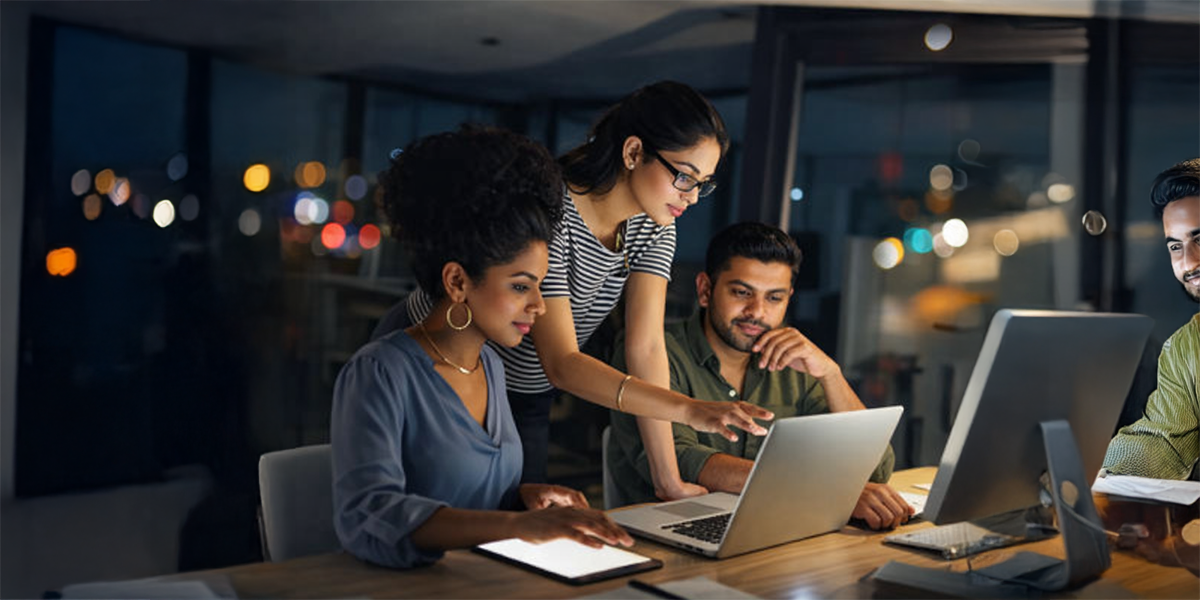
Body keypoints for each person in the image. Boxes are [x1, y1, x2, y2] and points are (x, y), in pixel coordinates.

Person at [373, 81, 771, 497]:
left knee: (518, 522)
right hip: (442, 357)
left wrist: (668, 479)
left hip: (524, 384)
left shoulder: (655, 226)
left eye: (703, 184)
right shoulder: (553, 211)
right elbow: (562, 361)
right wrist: (689, 410)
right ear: (634, 152)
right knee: (430, 507)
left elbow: (647, 348)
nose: (691, 198)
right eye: (685, 178)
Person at [331, 126, 632, 569]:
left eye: (539, 286)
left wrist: (523, 500)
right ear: (457, 282)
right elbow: (371, 514)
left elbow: (474, 495)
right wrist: (515, 527)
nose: (538, 306)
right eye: (520, 286)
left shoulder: (489, 364)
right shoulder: (380, 372)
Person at [607, 222, 914, 530]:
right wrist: (827, 490)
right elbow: (682, 460)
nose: (757, 312)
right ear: (705, 290)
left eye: (774, 298)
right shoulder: (654, 354)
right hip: (664, 535)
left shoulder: (796, 365)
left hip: (771, 528)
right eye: (742, 293)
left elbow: (876, 469)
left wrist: (831, 375)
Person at [1103, 158, 1200, 481]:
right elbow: (1162, 443)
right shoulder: (1187, 347)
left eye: (1199, 239)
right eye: (1176, 246)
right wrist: (1080, 465)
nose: (1188, 262)